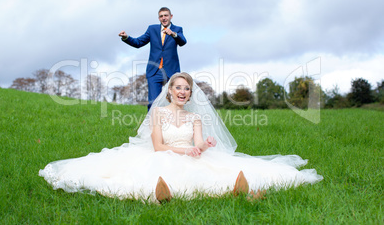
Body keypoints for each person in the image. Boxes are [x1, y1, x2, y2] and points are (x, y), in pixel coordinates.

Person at [39, 72, 323, 202]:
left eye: (187, 88)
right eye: (178, 88)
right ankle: (162, 194)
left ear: (190, 93)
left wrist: (205, 145)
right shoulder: (158, 114)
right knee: (151, 171)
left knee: (213, 170)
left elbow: (197, 143)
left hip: (189, 155)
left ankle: (236, 189)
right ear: (170, 91)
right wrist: (186, 152)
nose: (183, 92)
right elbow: (158, 146)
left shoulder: (196, 117)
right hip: (165, 155)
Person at [119, 7, 187, 110]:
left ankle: (173, 124)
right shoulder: (152, 29)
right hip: (154, 71)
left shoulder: (177, 29)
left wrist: (173, 34)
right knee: (153, 104)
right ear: (159, 18)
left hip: (172, 71)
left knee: (176, 103)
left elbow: (183, 42)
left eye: (166, 15)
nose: (164, 18)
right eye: (161, 16)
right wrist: (126, 37)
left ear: (171, 16)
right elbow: (138, 42)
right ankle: (152, 125)